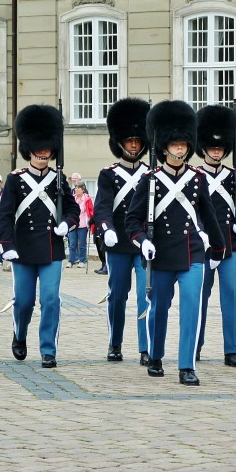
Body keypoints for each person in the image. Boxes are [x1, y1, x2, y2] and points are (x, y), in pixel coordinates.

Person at [125, 99, 225, 387]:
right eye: (176, 144)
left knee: (192, 306)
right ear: (165, 146)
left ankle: (186, 365)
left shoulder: (197, 179)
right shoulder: (150, 180)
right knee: (159, 309)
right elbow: (133, 220)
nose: (180, 149)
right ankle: (155, 356)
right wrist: (142, 242)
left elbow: (209, 216)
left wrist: (216, 248)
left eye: (184, 144)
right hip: (161, 254)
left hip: (192, 252)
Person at [0, 104, 80, 369]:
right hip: (22, 249)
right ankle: (19, 334)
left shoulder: (58, 179)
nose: (44, 152)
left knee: (51, 300)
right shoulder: (15, 179)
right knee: (23, 301)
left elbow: (72, 208)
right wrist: (6, 245)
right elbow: (6, 215)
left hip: (51, 249)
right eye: (39, 147)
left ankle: (48, 349)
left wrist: (67, 224)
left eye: (47, 147)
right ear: (30, 148)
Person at [195, 104, 236, 368]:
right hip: (204, 246)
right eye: (213, 147)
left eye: (220, 148)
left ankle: (232, 349)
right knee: (198, 298)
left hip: (231, 245)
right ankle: (194, 345)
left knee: (232, 297)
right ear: (204, 148)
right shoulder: (194, 177)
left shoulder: (233, 177)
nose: (217, 151)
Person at [93, 97, 151, 364]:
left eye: (138, 141)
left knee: (145, 296)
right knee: (117, 296)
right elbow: (102, 205)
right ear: (120, 142)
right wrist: (106, 229)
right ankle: (115, 343)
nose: (134, 145)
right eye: (130, 141)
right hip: (117, 244)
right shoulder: (109, 174)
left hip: (143, 244)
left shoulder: (151, 173)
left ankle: (145, 346)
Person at [68, 181, 93, 268]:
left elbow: (90, 211)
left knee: (82, 244)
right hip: (72, 224)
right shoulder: (72, 198)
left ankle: (82, 260)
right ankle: (71, 261)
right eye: (75, 188)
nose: (76, 190)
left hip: (82, 224)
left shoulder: (87, 199)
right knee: (72, 243)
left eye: (78, 188)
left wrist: (90, 223)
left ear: (83, 189)